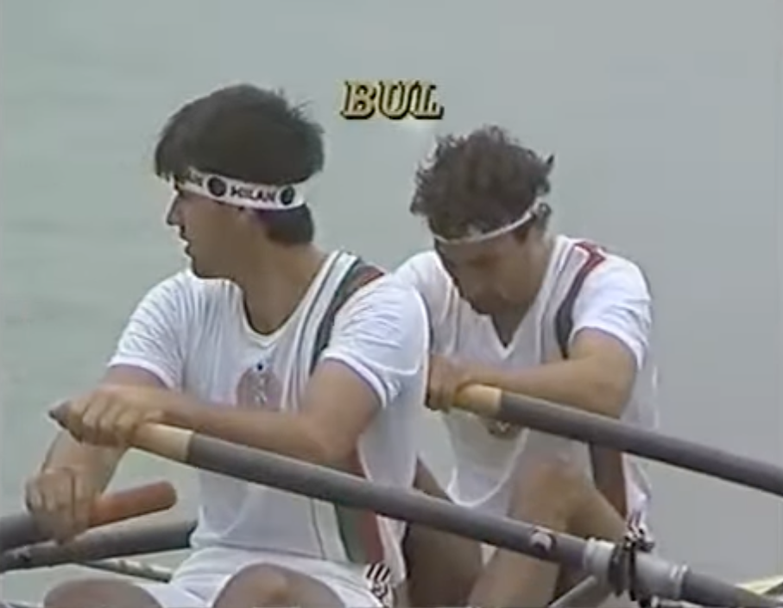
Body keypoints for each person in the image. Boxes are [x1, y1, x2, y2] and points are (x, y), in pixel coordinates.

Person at [24, 84, 430, 608]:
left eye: (184, 196)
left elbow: (319, 438)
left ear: (237, 206)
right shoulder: (180, 302)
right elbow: (114, 406)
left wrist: (165, 407)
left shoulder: (377, 306)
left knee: (262, 591)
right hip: (211, 571)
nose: (173, 217)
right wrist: (66, 480)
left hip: (345, 583)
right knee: (81, 599)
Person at [396, 126, 659, 608]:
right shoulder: (424, 284)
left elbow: (604, 386)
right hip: (476, 546)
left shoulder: (602, 283)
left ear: (535, 228)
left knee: (548, 481)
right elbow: (353, 364)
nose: (469, 287)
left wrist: (477, 378)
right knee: (381, 457)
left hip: (597, 554)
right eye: (454, 266)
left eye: (486, 264)